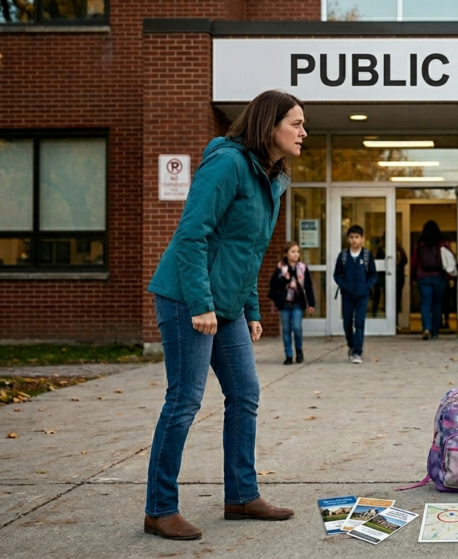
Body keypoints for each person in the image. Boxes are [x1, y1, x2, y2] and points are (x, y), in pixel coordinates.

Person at [144, 89, 305, 540]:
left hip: (228, 306)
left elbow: (249, 252)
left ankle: (241, 496)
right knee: (185, 400)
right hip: (186, 297)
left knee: (246, 393)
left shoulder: (270, 178)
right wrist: (201, 304)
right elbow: (192, 234)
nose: (303, 132)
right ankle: (159, 508)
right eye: (296, 123)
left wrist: (251, 309)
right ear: (269, 125)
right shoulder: (228, 163)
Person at [334, 225, 377, 364]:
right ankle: (351, 345)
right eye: (352, 237)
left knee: (359, 323)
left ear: (362, 239)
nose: (354, 240)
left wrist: (366, 286)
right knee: (347, 323)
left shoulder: (366, 255)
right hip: (347, 295)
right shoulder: (343, 256)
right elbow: (337, 274)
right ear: (348, 239)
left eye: (357, 237)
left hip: (362, 296)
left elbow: (373, 275)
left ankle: (357, 352)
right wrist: (344, 286)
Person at [268, 242, 315, 365]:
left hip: (298, 303)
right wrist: (285, 278)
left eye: (297, 251)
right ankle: (288, 355)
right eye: (293, 251)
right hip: (284, 304)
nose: (296, 254)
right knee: (286, 329)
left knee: (296, 327)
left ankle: (299, 350)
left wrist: (311, 303)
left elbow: (309, 287)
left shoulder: (302, 268)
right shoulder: (281, 268)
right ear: (286, 254)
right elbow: (273, 284)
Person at [412, 220, 451, 340]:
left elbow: (414, 262)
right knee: (437, 304)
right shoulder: (443, 243)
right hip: (439, 277)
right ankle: (435, 331)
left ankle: (426, 328)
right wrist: (450, 277)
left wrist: (414, 277)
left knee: (425, 303)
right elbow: (449, 262)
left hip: (423, 277)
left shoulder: (420, 244)